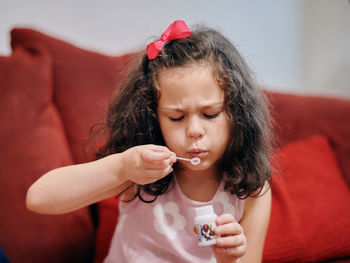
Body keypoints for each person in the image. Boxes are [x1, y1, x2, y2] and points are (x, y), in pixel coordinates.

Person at [26, 20, 273, 263]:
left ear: (237, 113)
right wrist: (122, 167)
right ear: (154, 118)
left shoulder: (252, 191)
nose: (195, 131)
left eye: (210, 114)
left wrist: (228, 260)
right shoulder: (141, 171)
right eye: (176, 118)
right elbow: (38, 198)